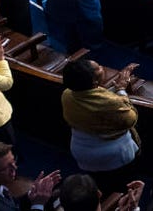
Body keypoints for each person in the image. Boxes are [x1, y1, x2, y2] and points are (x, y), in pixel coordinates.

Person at [60, 57, 140, 195]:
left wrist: (115, 89)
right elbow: (131, 118)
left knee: (98, 185)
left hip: (83, 153)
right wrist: (121, 90)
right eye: (99, 68)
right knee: (119, 191)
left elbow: (94, 100)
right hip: (113, 158)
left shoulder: (67, 94)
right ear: (94, 82)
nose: (102, 67)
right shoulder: (111, 104)